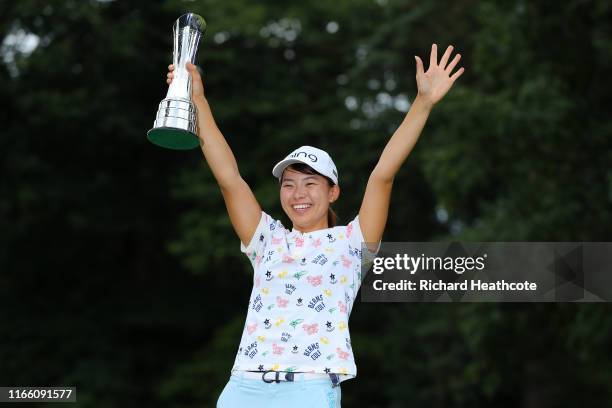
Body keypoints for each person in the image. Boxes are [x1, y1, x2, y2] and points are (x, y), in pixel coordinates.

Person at [166, 43, 464, 408]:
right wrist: (197, 100)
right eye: (288, 184)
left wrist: (423, 103)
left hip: (309, 390)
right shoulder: (268, 239)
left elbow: (383, 175)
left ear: (333, 192)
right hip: (244, 385)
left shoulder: (354, 241)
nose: (297, 193)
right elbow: (229, 178)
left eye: (310, 183)